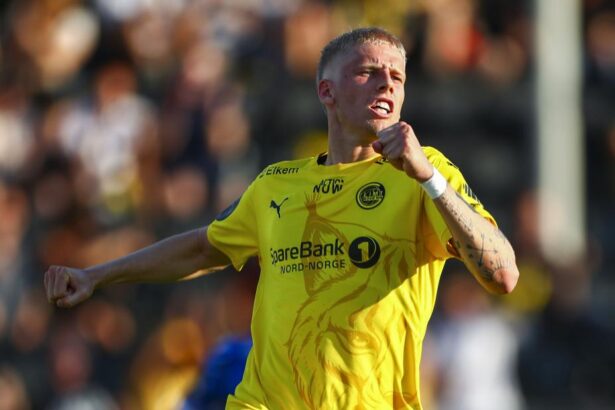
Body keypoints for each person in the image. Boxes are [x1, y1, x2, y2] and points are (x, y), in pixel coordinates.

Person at [44, 27, 519, 409]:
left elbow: (503, 275)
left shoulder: (425, 175)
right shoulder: (276, 184)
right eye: (368, 72)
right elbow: (203, 248)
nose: (387, 83)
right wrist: (96, 276)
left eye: (397, 76)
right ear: (326, 91)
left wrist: (429, 179)